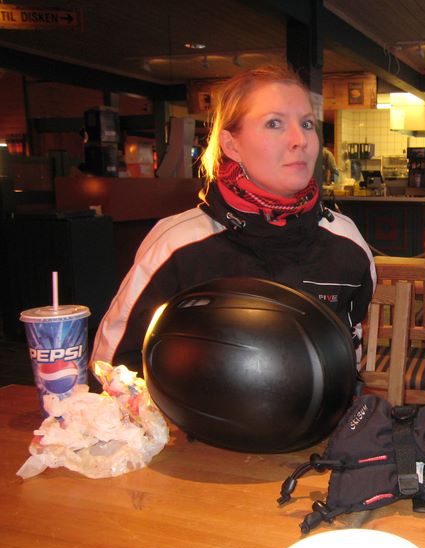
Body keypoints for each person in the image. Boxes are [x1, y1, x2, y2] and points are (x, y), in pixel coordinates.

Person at [91, 65, 376, 372]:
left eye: (307, 124)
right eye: (274, 123)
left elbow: (348, 349)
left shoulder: (346, 242)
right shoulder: (177, 245)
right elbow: (112, 367)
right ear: (231, 145)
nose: (300, 139)